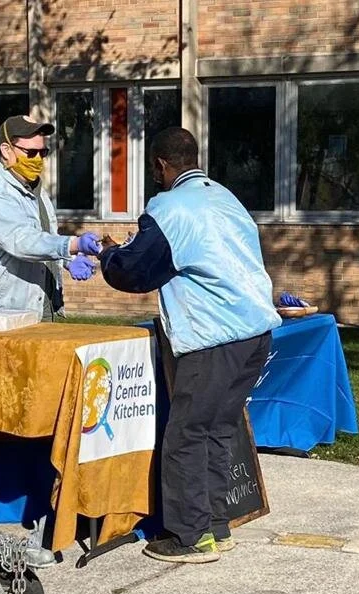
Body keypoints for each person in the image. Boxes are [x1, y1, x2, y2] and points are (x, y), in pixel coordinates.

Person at [98, 127, 281, 563]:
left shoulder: (168, 208)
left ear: (160, 165)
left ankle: (189, 537)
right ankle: (217, 524)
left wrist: (108, 255)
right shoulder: (225, 197)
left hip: (213, 338)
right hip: (254, 333)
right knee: (219, 430)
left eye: (154, 170)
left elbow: (136, 271)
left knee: (184, 437)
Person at [0, 115, 101, 320]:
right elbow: (23, 241)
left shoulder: (33, 187)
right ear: (6, 150)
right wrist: (73, 244)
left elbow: (43, 236)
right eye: (31, 153)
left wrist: (68, 259)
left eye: (43, 152)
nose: (38, 160)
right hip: (0, 313)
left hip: (38, 303)